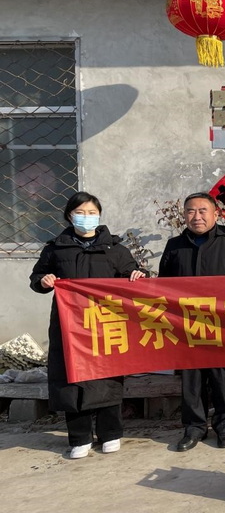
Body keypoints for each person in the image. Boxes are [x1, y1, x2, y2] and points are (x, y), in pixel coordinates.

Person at [29, 191, 147, 459]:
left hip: (105, 323)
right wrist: (44, 281)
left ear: (99, 216)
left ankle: (110, 433)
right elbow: (37, 277)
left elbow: (132, 274)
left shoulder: (114, 249)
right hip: (69, 325)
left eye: (92, 213)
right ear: (69, 216)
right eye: (80, 213)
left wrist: (137, 275)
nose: (87, 217)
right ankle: (80, 437)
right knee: (72, 377)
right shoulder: (55, 249)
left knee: (108, 376)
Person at [159, 192, 225, 451]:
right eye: (191, 211)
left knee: (223, 376)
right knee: (192, 378)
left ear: (215, 214)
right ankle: (194, 427)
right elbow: (163, 286)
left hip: (223, 323)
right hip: (187, 324)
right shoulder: (174, 246)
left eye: (202, 211)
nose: (196, 216)